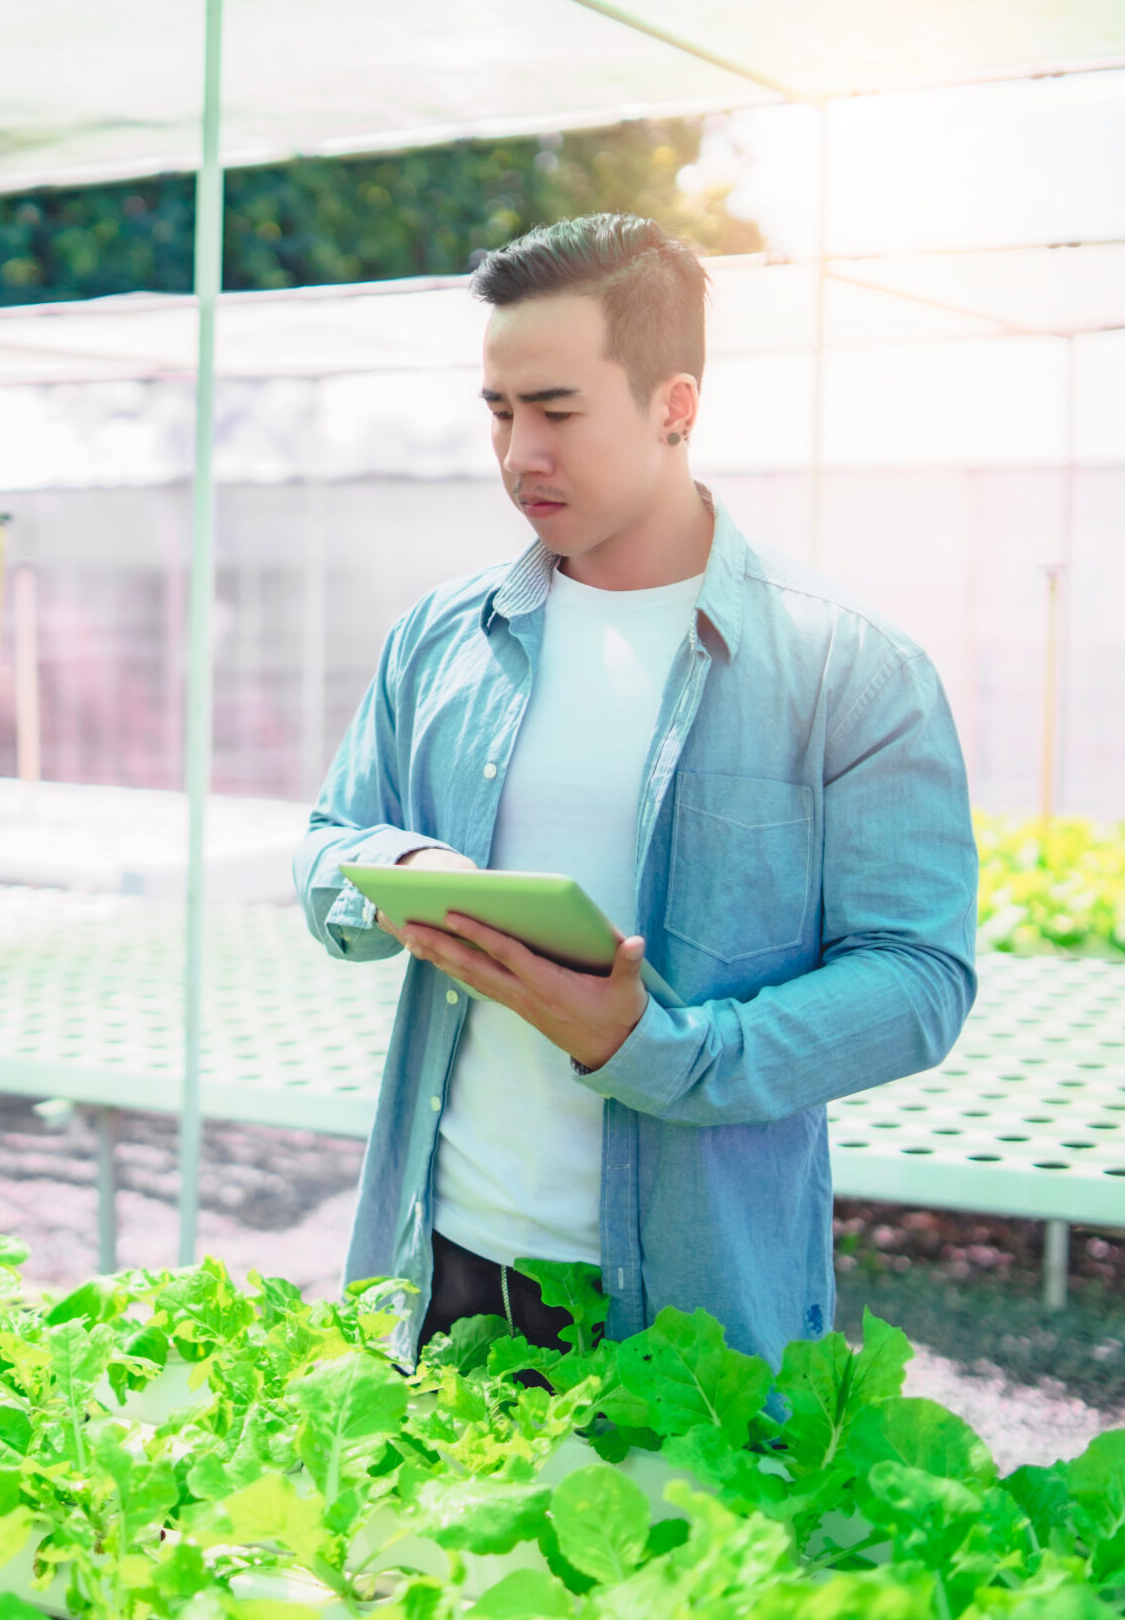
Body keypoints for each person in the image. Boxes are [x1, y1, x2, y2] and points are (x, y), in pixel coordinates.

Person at [294, 213, 978, 1370]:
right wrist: (396, 876)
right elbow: (327, 847)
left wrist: (655, 1047)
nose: (519, 456)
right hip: (438, 1259)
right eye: (500, 414)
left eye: (556, 412)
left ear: (675, 405)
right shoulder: (442, 637)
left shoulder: (849, 667)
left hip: (687, 1299)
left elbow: (918, 981)